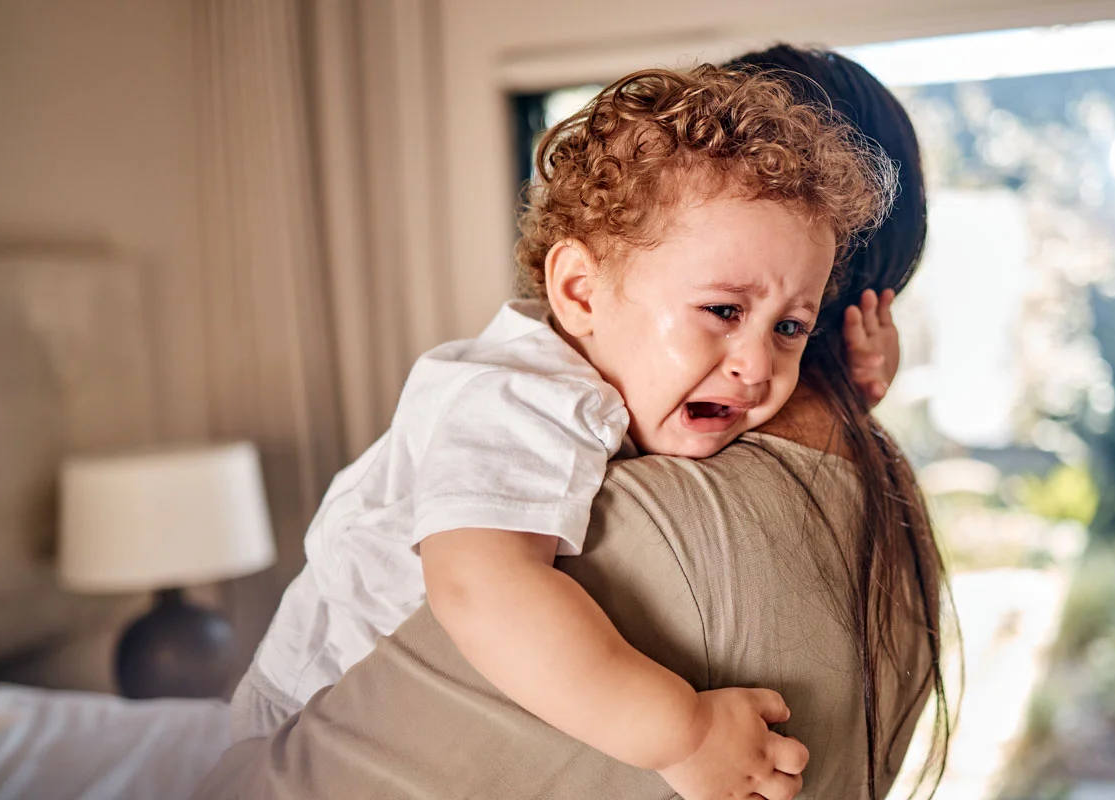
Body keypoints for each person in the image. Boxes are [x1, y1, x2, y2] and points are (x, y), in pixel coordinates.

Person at [198, 45, 951, 800]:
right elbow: (480, 587)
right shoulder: (518, 397)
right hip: (300, 724)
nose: (757, 367)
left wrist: (851, 389)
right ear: (580, 292)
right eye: (723, 311)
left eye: (792, 329)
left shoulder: (636, 375)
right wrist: (682, 730)